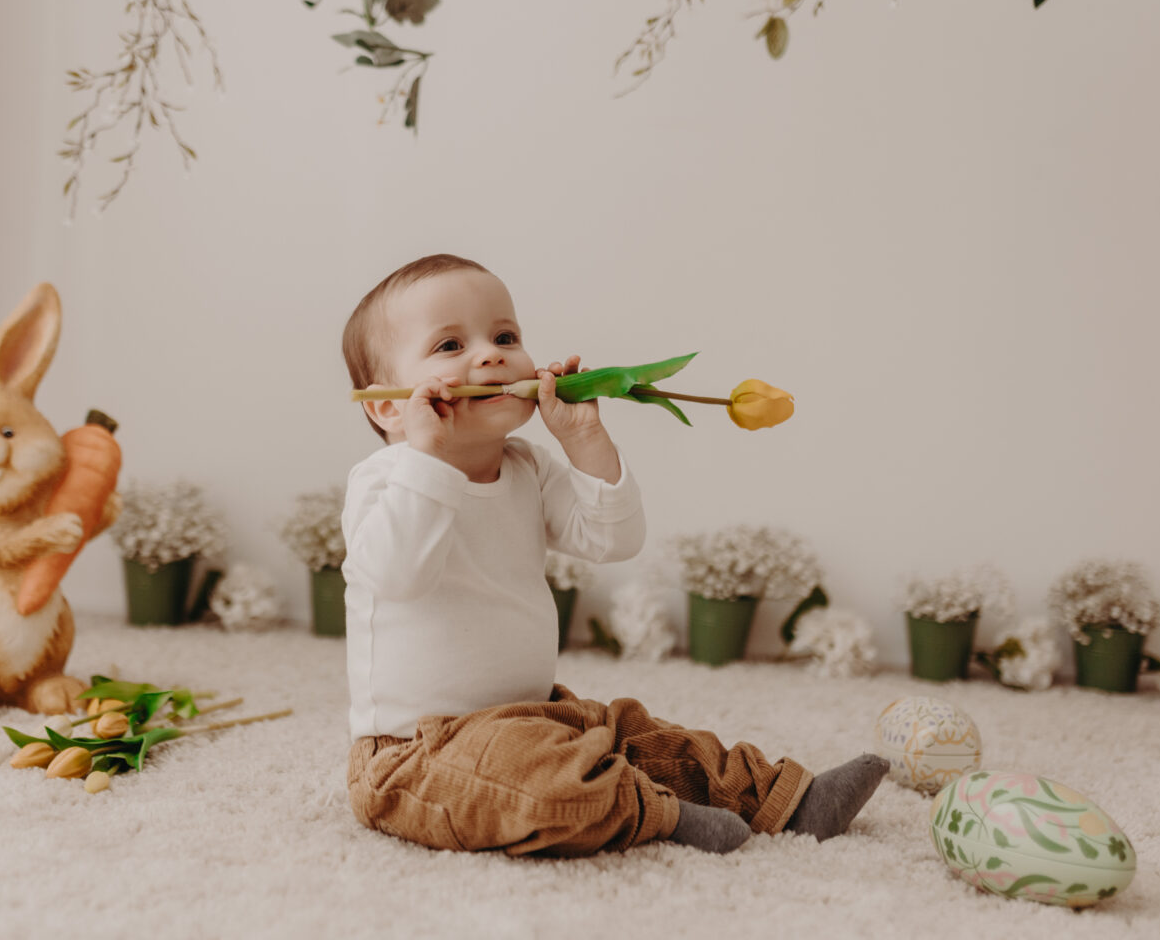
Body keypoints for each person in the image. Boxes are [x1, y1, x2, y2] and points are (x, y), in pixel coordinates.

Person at [339, 253, 887, 857]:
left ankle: (783, 799)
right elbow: (399, 576)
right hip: (416, 754)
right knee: (543, 787)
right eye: (450, 345)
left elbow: (613, 539)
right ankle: (651, 813)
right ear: (387, 406)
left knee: (635, 735)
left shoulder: (527, 466)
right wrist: (428, 459)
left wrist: (583, 438)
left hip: (535, 717)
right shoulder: (385, 480)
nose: (491, 356)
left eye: (505, 337)